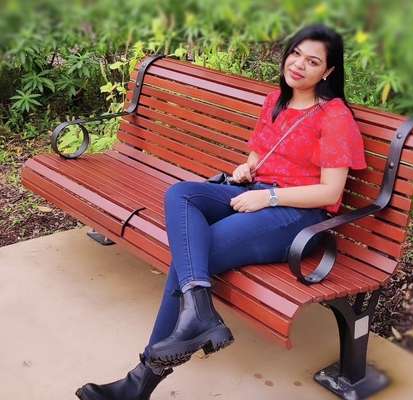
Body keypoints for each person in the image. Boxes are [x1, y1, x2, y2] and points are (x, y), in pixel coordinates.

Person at [75, 23, 367, 400]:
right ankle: (198, 309)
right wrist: (248, 168)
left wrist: (270, 198)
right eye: (295, 53)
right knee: (181, 194)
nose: (298, 65)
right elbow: (260, 153)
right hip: (256, 193)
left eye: (312, 61)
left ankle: (141, 381)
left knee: (195, 254)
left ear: (327, 71)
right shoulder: (276, 101)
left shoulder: (334, 117)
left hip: (298, 218)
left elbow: (330, 191)